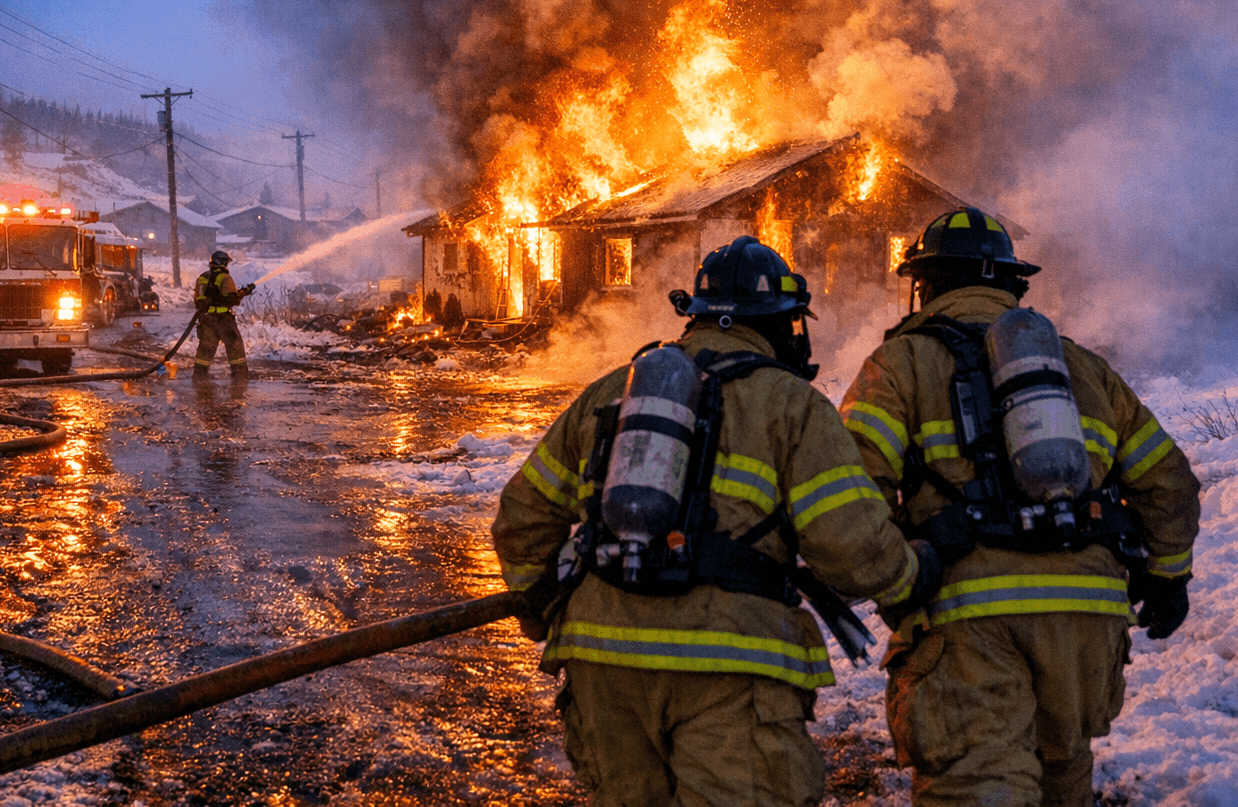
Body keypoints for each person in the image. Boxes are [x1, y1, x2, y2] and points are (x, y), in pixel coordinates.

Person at [492, 236, 941, 807]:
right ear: (783, 325)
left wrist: (539, 601)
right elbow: (851, 545)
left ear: (696, 317)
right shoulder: (793, 405)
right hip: (730, 666)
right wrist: (911, 577)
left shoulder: (612, 392)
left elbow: (522, 515)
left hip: (601, 664)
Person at [839, 207, 1201, 807]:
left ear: (924, 286)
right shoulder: (1081, 368)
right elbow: (1170, 484)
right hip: (1085, 626)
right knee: (1063, 778)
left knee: (978, 787)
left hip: (967, 625)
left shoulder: (900, 365)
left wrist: (898, 580)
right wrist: (1167, 580)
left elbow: (852, 494)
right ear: (1012, 285)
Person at [192, 250, 252, 379]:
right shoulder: (225, 278)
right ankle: (240, 376)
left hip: (206, 319)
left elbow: (197, 299)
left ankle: (199, 375)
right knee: (235, 346)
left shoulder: (202, 278)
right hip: (223, 319)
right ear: (223, 262)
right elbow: (232, 300)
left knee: (206, 348)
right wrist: (243, 293)